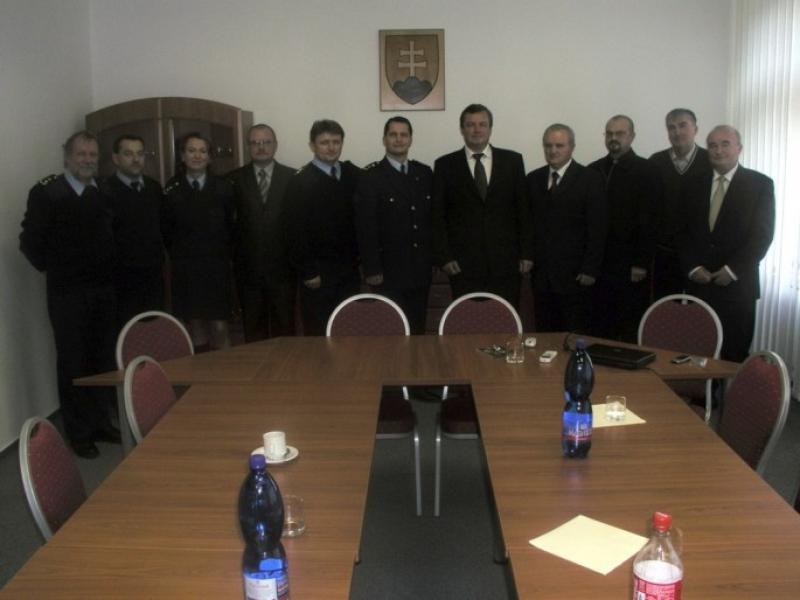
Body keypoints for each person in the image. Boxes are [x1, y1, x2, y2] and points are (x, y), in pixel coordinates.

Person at [19, 131, 119, 459]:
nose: (87, 160)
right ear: (67, 157)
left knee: (102, 358)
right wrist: (59, 270)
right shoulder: (48, 192)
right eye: (81, 154)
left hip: (103, 291)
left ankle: (101, 422)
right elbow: (30, 243)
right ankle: (79, 432)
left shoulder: (103, 191)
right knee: (73, 361)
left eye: (92, 154)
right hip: (68, 295)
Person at [677, 125, 774, 362]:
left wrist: (732, 270)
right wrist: (692, 267)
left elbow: (762, 236)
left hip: (738, 288)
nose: (718, 150)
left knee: (734, 356)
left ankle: (731, 389)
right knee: (697, 355)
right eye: (712, 145)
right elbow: (680, 232)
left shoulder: (759, 184)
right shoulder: (691, 184)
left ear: (739, 148)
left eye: (725, 144)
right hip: (699, 286)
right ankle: (704, 390)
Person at [432, 104, 532, 307]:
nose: (476, 130)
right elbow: (437, 216)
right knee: (467, 320)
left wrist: (527, 253)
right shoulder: (445, 165)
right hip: (462, 265)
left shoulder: (513, 161)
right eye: (470, 125)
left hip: (507, 262)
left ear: (490, 128)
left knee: (506, 319)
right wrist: (445, 257)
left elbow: (523, 210)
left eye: (482, 124)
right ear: (462, 129)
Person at [354, 116, 433, 334]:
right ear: (384, 139)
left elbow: (429, 220)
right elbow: (366, 227)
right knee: (390, 331)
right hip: (387, 272)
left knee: (417, 330)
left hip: (419, 270)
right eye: (393, 135)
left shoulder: (424, 173)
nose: (399, 139)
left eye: (404, 135)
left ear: (411, 139)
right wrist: (372, 268)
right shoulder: (370, 176)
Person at [527, 124, 606, 333]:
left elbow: (598, 228)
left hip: (576, 276)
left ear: (572, 147)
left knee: (574, 334)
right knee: (545, 334)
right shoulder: (533, 179)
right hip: (542, 276)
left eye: (559, 145)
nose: (553, 150)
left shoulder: (590, 179)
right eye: (548, 145)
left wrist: (590, 268)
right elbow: (528, 225)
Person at [284, 119, 361, 336]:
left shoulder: (353, 175)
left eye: (336, 142)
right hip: (317, 274)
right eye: (324, 142)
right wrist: (308, 271)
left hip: (349, 272)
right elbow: (294, 231)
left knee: (348, 330)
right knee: (318, 334)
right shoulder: (299, 181)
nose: (331, 147)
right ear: (312, 145)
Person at [588, 115, 660, 342]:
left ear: (632, 136)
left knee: (629, 327)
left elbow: (650, 220)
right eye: (609, 133)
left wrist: (641, 262)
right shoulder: (594, 170)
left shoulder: (647, 170)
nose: (613, 138)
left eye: (619, 133)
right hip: (599, 265)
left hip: (631, 266)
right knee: (599, 326)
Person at [162, 132, 235, 350]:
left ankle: (225, 371)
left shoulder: (224, 187)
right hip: (186, 269)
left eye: (203, 151)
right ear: (182, 156)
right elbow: (166, 231)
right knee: (195, 326)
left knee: (220, 326)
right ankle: (201, 369)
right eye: (191, 150)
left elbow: (232, 228)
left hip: (216, 268)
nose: (197, 156)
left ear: (210, 157)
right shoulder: (172, 188)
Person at [228, 124, 296, 341]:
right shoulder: (232, 180)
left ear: (275, 145)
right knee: (253, 332)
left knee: (285, 330)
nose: (261, 147)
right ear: (248, 147)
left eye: (266, 142)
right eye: (255, 143)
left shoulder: (293, 177)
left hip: (284, 271)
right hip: (248, 271)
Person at [100, 134, 165, 329]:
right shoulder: (104, 191)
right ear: (115, 158)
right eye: (128, 154)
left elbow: (164, 227)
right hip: (121, 279)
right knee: (125, 333)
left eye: (140, 153)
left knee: (154, 330)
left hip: (153, 277)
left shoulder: (154, 188)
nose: (136, 159)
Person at [649, 108, 712, 300]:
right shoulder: (655, 162)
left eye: (683, 125)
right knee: (664, 308)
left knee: (700, 309)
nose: (677, 132)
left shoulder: (710, 161)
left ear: (695, 129)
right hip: (664, 253)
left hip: (700, 255)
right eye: (671, 127)